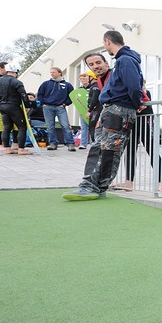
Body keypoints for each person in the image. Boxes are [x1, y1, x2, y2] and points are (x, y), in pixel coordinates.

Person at [62, 31, 144, 200]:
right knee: (99, 147)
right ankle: (89, 184)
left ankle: (96, 186)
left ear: (107, 42)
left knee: (110, 150)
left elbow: (135, 87)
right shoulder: (123, 60)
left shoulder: (125, 60)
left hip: (119, 110)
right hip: (112, 109)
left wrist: (135, 104)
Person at [0, 70, 32, 155]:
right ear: (15, 73)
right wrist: (27, 105)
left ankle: (7, 148)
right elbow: (24, 95)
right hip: (13, 106)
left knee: (7, 127)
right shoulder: (16, 81)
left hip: (2, 106)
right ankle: (21, 149)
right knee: (21, 127)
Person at [36, 67, 76, 150]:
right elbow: (40, 94)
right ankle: (53, 143)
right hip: (48, 107)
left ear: (59, 73)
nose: (52, 74)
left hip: (60, 107)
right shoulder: (46, 84)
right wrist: (43, 103)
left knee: (65, 125)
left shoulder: (67, 85)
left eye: (53, 72)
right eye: (51, 72)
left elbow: (72, 96)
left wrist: (65, 103)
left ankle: (70, 143)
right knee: (50, 126)